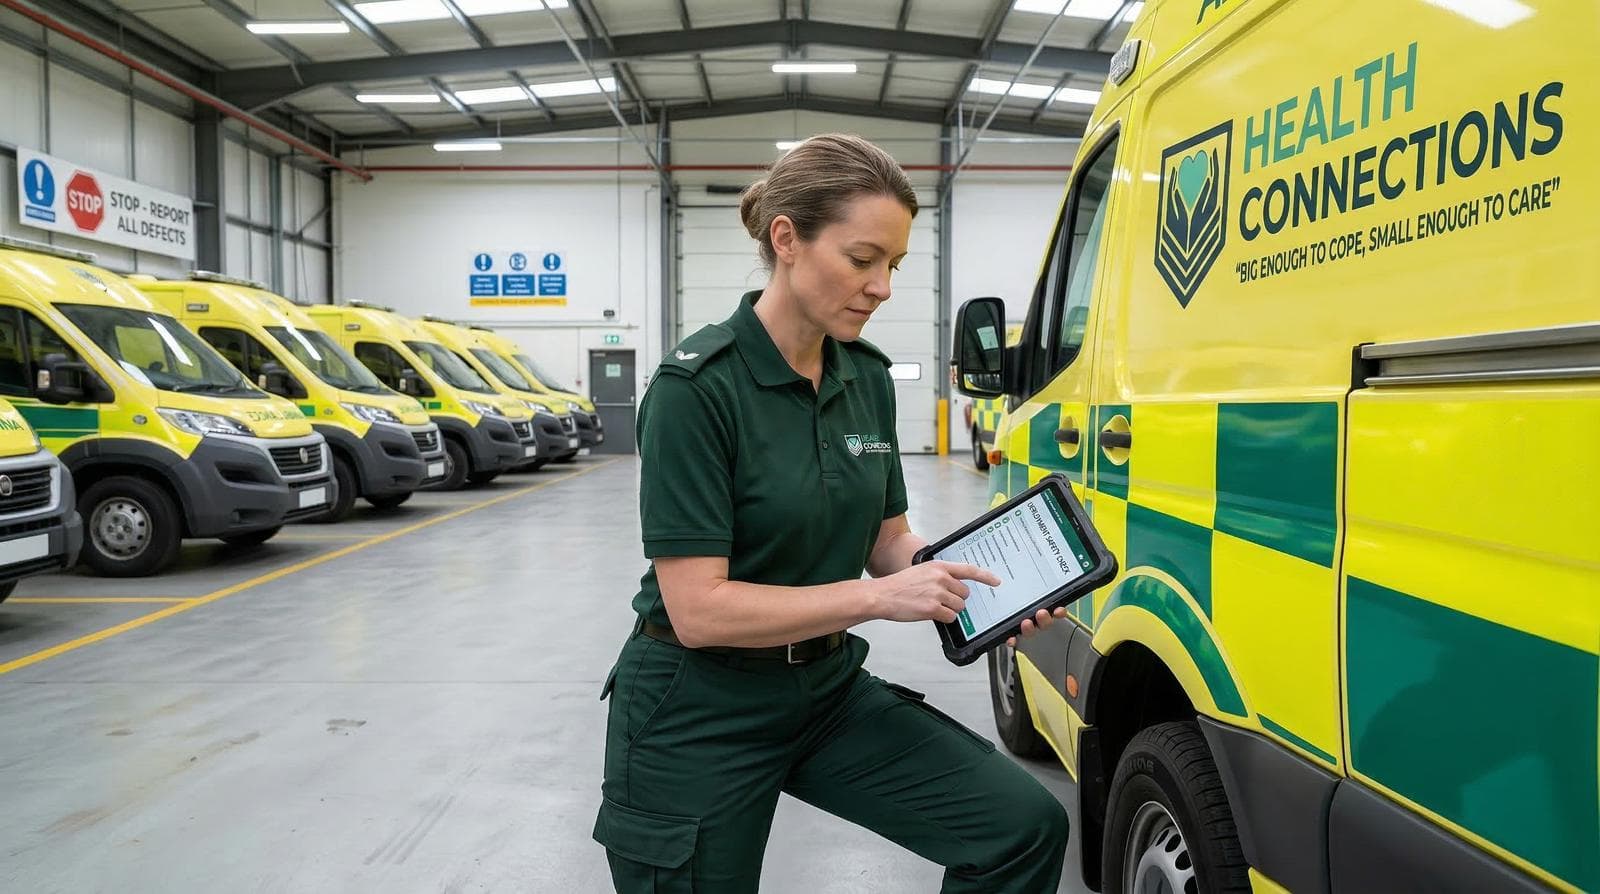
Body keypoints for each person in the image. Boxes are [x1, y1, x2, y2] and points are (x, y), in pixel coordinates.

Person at [593, 133, 1071, 893]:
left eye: (895, 265)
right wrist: (879, 600)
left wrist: (967, 581)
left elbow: (888, 542)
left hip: (824, 690)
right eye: (862, 258)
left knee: (1019, 827)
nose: (882, 286)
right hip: (697, 704)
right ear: (787, 239)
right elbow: (698, 611)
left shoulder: (866, 377)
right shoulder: (697, 390)